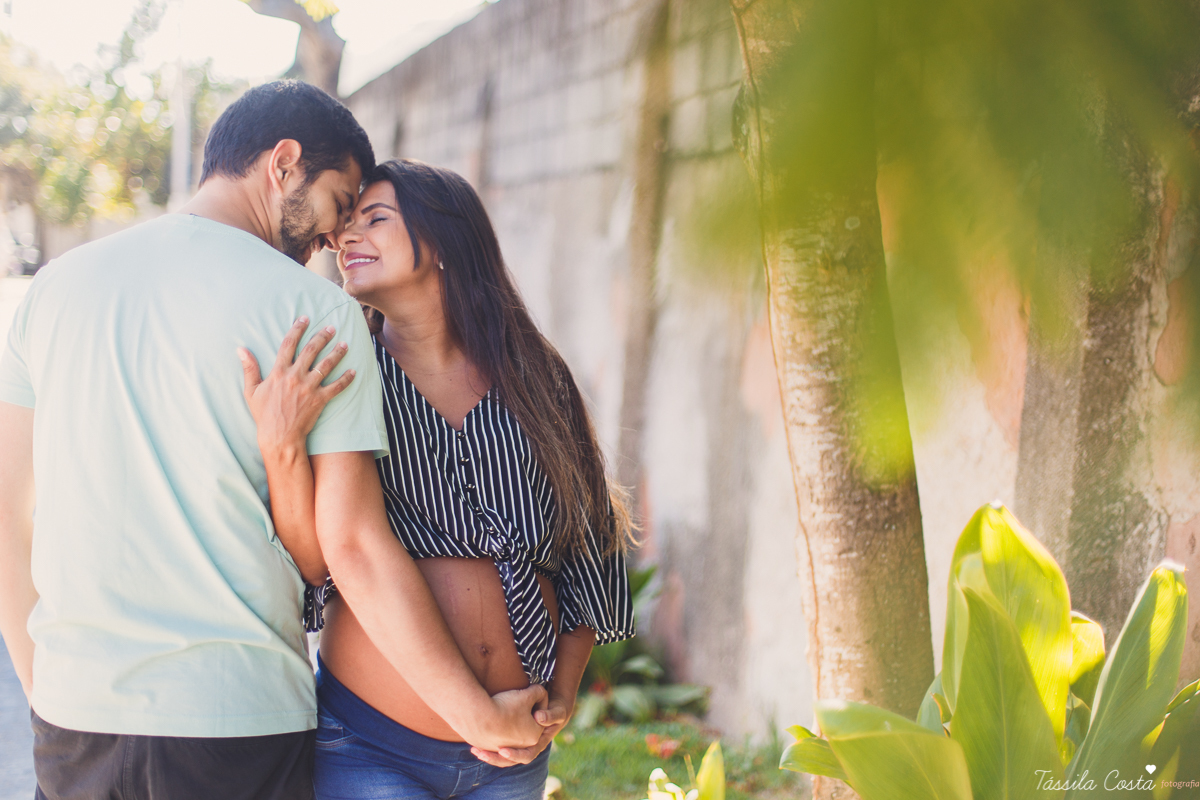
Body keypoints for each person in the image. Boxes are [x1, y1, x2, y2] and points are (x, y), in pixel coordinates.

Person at [0, 82, 544, 800]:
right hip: (239, 717)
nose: (334, 235)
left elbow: (10, 513)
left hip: (76, 718)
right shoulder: (314, 313)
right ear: (283, 163)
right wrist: (479, 715)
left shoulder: (53, 289)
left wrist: (46, 688)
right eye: (340, 203)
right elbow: (348, 548)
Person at [240, 158, 636, 800]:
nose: (345, 237)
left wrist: (558, 698)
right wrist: (282, 447)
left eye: (375, 219)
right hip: (372, 745)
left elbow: (588, 539)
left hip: (512, 752)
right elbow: (314, 559)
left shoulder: (534, 376)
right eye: (346, 224)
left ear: (446, 242)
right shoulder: (344, 371)